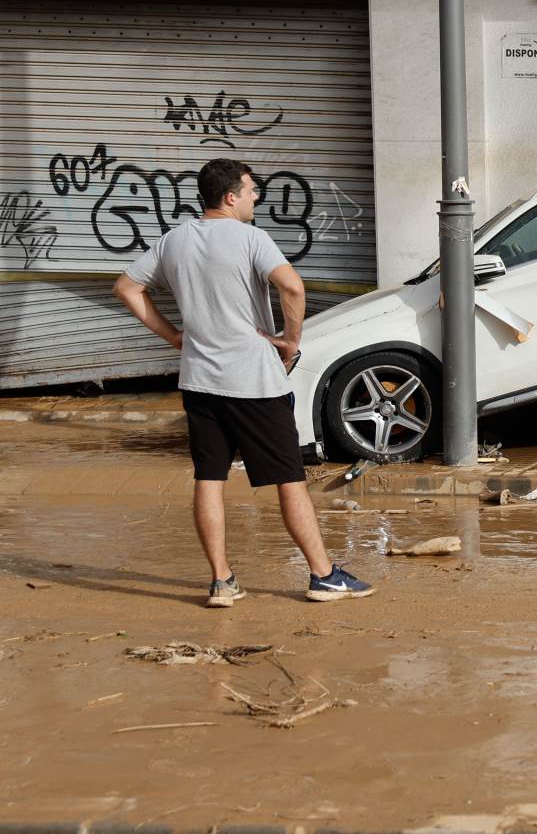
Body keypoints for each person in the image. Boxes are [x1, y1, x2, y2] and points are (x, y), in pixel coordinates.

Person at [113, 158, 375, 607]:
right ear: (230, 196)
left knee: (209, 478)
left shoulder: (174, 240)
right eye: (252, 190)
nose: (257, 198)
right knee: (289, 479)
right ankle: (323, 575)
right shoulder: (252, 238)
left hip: (199, 380)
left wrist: (174, 336)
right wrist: (291, 341)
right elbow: (292, 287)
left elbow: (126, 288)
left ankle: (222, 582)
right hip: (254, 382)